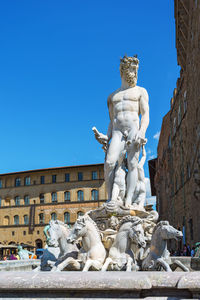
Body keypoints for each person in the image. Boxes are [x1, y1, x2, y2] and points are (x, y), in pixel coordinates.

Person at [94, 55, 149, 208]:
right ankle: (112, 200)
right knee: (109, 162)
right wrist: (106, 136)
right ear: (123, 71)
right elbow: (112, 121)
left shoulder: (140, 91)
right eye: (133, 69)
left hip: (133, 129)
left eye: (136, 70)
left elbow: (145, 116)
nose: (135, 73)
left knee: (132, 164)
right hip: (117, 132)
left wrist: (142, 131)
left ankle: (129, 200)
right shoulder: (112, 97)